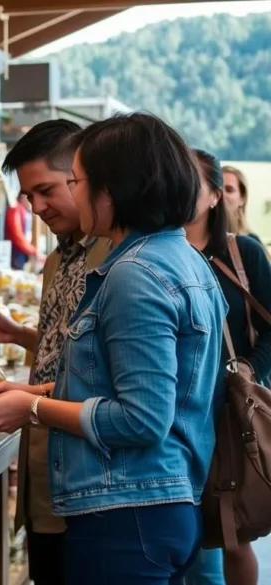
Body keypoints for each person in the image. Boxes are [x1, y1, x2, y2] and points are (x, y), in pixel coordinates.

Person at [0, 113, 227, 585]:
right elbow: (122, 377)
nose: (73, 193)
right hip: (164, 498)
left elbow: (142, 418)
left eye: (76, 181)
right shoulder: (182, 257)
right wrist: (41, 388)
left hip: (128, 510)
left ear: (114, 188)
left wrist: (34, 406)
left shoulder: (133, 273)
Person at [0, 118, 108, 585]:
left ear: (81, 175)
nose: (37, 207)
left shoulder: (113, 262)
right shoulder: (58, 258)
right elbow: (69, 349)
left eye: (47, 190)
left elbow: (108, 380)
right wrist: (16, 333)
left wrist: (29, 402)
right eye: (29, 197)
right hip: (43, 472)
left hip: (91, 480)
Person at [183, 151, 271, 585]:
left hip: (229, 410)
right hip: (178, 410)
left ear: (217, 196)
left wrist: (250, 370)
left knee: (234, 531)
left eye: (191, 180)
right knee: (185, 528)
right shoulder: (159, 251)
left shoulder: (243, 252)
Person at [221, 165, 259, 243]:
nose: (221, 194)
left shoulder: (252, 244)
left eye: (229, 190)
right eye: (217, 188)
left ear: (242, 198)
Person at [5, 193, 41, 269]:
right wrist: (32, 250)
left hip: (22, 251)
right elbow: (17, 235)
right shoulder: (15, 209)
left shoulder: (23, 210)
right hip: (16, 253)